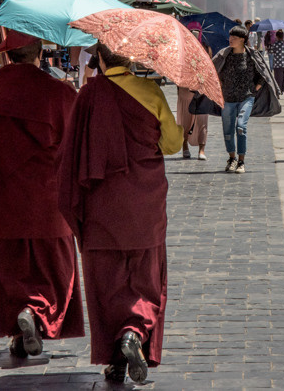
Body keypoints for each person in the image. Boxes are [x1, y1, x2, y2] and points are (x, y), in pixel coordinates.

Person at [0, 30, 85, 358]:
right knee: (54, 272)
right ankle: (34, 313)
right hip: (49, 204)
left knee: (10, 272)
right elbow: (76, 149)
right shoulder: (59, 93)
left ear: (7, 56)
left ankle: (18, 328)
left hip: (1, 204)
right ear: (39, 53)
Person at [59, 42, 182, 385]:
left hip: (101, 206)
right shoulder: (150, 91)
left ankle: (114, 359)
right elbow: (172, 144)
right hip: (144, 202)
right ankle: (134, 332)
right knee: (145, 277)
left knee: (106, 281)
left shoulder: (87, 95)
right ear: (131, 58)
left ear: (99, 58)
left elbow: (71, 153)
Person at [213, 26, 278, 173]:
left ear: (242, 40)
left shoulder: (251, 55)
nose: (231, 40)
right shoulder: (224, 55)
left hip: (246, 97)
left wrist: (256, 88)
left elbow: (263, 73)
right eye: (230, 37)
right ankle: (232, 159)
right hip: (228, 98)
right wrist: (219, 83)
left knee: (241, 127)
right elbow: (214, 70)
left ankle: (241, 161)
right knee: (228, 130)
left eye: (234, 38)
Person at [176, 24, 211, 161]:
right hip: (185, 89)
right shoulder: (182, 50)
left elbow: (210, 69)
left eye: (197, 33)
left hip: (201, 90)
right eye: (192, 33)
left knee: (202, 120)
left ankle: (202, 149)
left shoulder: (206, 49)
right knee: (185, 120)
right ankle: (184, 145)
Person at [268, 29, 284, 97]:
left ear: (276, 36)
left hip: (278, 65)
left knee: (278, 79)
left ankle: (278, 94)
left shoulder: (274, 45)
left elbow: (270, 52)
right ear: (283, 36)